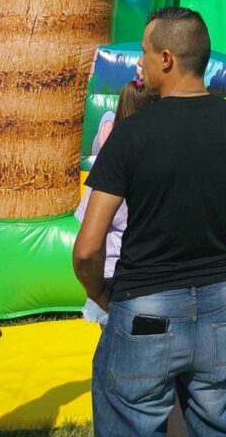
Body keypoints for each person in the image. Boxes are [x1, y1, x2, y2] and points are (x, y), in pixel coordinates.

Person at [73, 6, 226, 437]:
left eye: (145, 53)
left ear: (167, 58)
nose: (141, 63)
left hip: (143, 308)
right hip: (220, 310)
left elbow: (88, 247)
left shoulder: (130, 134)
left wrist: (99, 292)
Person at [74, 80, 159, 326]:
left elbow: (88, 242)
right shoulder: (163, 161)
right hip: (154, 277)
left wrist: (97, 291)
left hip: (113, 277)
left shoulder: (111, 162)